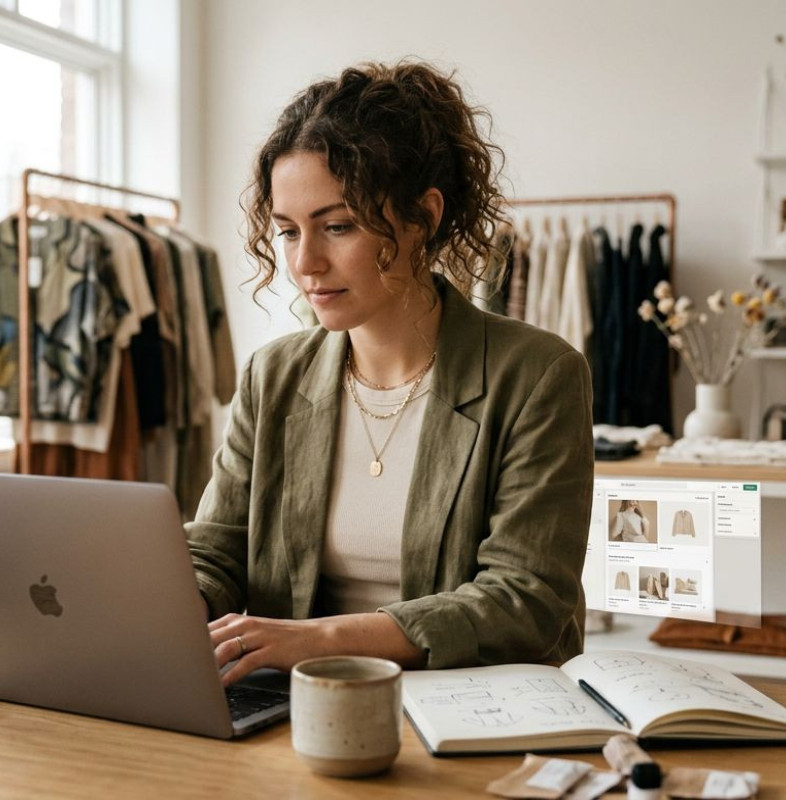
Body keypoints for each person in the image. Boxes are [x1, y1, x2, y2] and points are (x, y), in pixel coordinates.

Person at [186, 61, 593, 686]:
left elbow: (525, 599)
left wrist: (315, 639)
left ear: (424, 219)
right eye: (289, 232)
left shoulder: (537, 375)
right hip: (295, 710)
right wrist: (170, 604)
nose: (305, 263)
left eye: (337, 226)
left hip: (473, 712)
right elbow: (217, 549)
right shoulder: (273, 376)